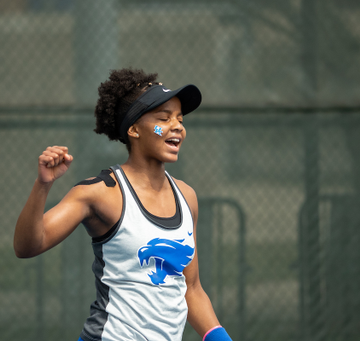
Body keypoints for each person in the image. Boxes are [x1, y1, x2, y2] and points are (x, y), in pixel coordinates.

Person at [14, 68, 233, 341]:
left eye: (179, 118)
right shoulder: (100, 192)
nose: (177, 126)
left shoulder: (186, 196)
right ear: (133, 130)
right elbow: (27, 246)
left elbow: (191, 287)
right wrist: (43, 185)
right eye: (164, 118)